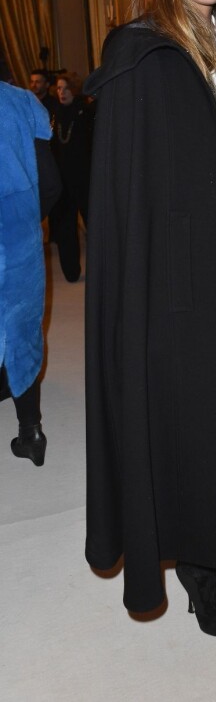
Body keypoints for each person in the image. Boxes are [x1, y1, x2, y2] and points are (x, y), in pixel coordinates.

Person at [83, 0, 216, 638]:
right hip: (182, 297)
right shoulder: (141, 53)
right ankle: (205, 567)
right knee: (202, 434)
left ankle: (206, 536)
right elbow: (122, 201)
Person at [0, 80, 61, 466]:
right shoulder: (23, 101)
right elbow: (52, 185)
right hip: (19, 243)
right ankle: (31, 432)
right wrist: (24, 224)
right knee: (22, 331)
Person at [50, 71, 92, 282]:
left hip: (85, 181)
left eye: (66, 88)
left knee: (93, 227)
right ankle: (71, 272)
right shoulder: (54, 114)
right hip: (63, 183)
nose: (62, 92)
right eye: (58, 88)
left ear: (74, 89)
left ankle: (100, 268)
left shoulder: (85, 112)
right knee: (66, 230)